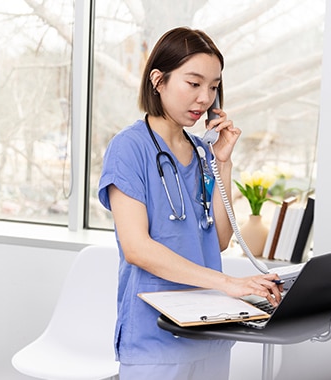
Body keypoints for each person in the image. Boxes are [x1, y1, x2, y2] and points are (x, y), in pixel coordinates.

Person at [98, 27, 282, 380]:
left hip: (209, 331)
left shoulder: (202, 152)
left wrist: (222, 161)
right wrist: (229, 283)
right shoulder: (129, 148)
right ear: (158, 80)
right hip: (156, 339)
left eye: (213, 87)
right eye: (193, 83)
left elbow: (221, 239)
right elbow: (137, 248)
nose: (205, 98)